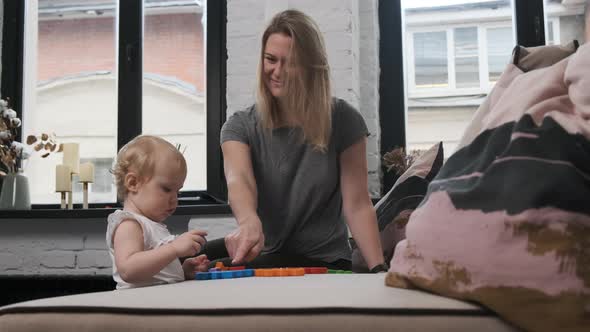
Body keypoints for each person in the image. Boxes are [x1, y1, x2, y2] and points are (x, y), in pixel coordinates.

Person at [203, 9, 387, 272]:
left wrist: (378, 268)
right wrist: (248, 221)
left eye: (290, 62)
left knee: (209, 267)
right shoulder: (239, 126)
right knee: (184, 260)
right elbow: (239, 179)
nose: (277, 71)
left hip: (323, 259)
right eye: (271, 59)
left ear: (311, 66)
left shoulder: (345, 120)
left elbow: (357, 203)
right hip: (266, 248)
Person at [106, 135, 209, 289]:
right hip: (137, 307)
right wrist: (173, 249)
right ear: (133, 183)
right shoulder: (129, 224)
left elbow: (154, 272)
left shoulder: (151, 225)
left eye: (177, 192)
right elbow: (128, 270)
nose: (174, 199)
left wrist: (182, 271)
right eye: (167, 189)